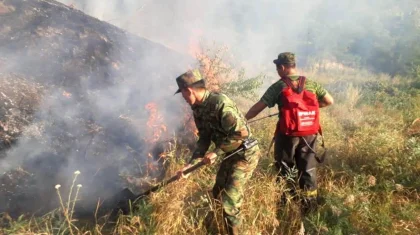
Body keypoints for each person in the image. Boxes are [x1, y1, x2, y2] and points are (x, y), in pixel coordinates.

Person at [245, 52, 334, 213]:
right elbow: (329, 100)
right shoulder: (311, 84)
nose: (277, 71)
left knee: (285, 168)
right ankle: (309, 208)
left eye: (278, 68)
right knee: (307, 169)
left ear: (283, 67)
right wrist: (305, 110)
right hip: (310, 134)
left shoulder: (279, 86)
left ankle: (286, 206)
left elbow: (259, 106)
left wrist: (243, 120)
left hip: (287, 135)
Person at [175, 69, 260, 235]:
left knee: (229, 201)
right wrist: (189, 166)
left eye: (183, 94)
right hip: (229, 155)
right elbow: (204, 139)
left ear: (189, 90)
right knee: (217, 195)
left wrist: (216, 152)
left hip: (244, 155)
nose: (184, 99)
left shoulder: (219, 103)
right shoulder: (198, 109)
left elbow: (241, 135)